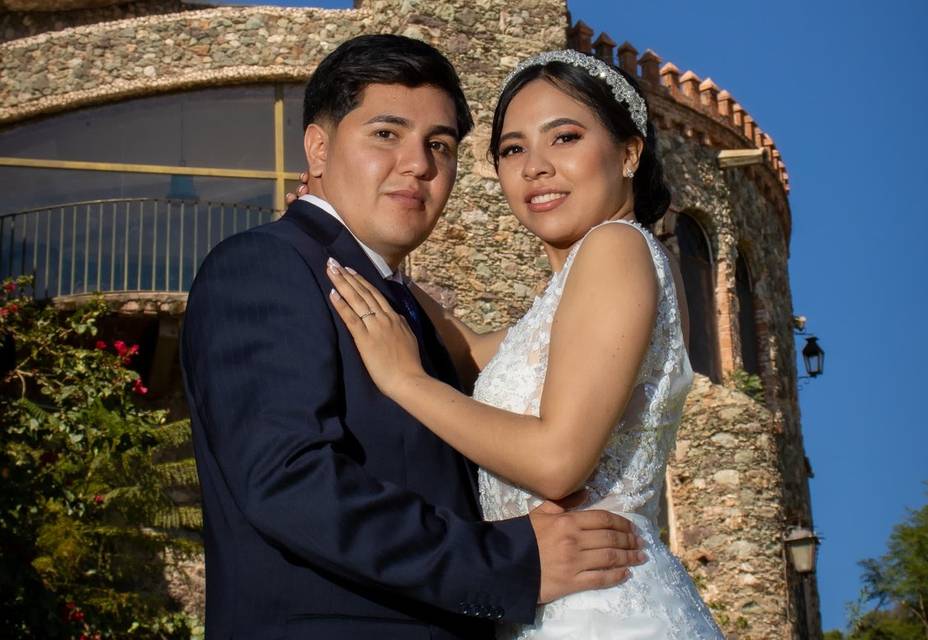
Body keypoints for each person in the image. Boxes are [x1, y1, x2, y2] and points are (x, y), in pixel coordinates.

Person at [179, 36, 645, 640]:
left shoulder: (393, 307)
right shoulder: (264, 267)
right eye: (385, 134)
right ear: (318, 148)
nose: (418, 164)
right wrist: (510, 563)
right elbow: (290, 480)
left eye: (440, 145)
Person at [323, 50, 725, 638]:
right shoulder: (584, 283)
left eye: (564, 137)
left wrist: (404, 380)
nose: (536, 167)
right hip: (550, 599)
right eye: (513, 149)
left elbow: (557, 461)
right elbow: (465, 354)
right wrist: (360, 244)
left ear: (630, 152)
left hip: (597, 609)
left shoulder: (616, 248)